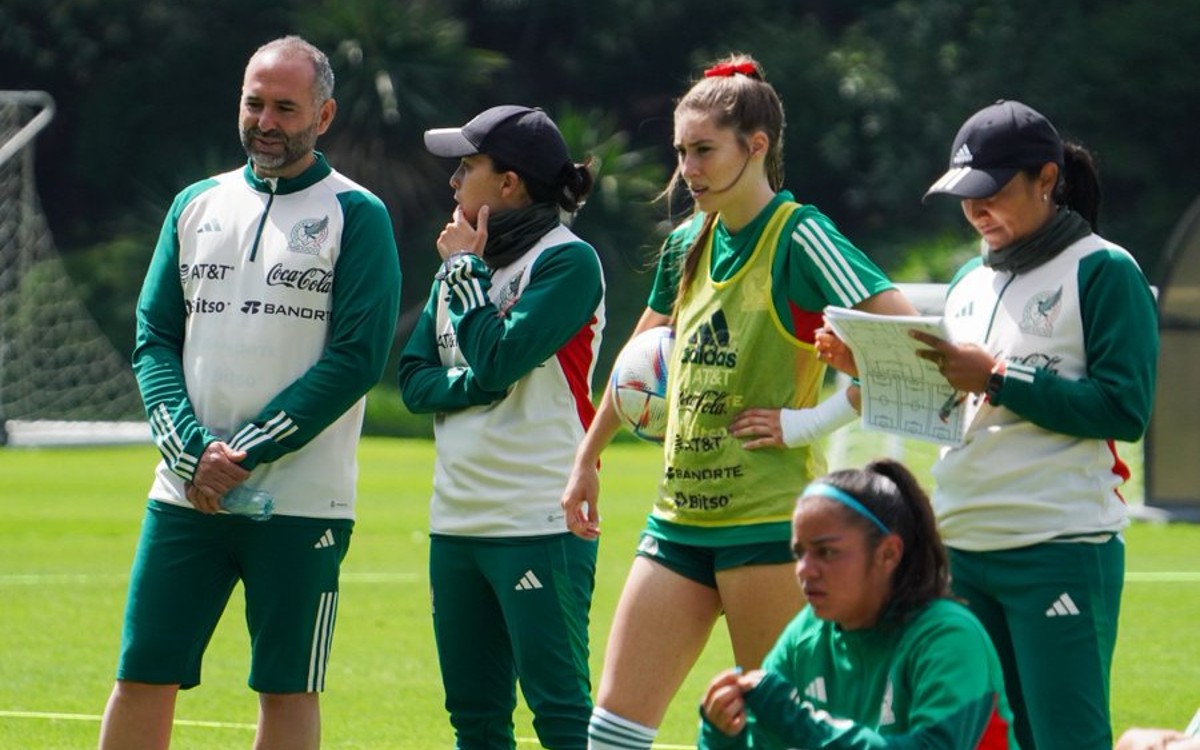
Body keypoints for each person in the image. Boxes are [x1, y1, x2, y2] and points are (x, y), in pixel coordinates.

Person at [561, 53, 917, 750]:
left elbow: (907, 346)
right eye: (680, 152)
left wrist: (807, 421)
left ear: (756, 146)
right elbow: (636, 362)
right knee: (611, 732)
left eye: (703, 151)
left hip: (768, 526)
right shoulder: (687, 242)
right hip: (676, 522)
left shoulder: (802, 237)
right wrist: (588, 456)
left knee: (776, 734)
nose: (687, 169)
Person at [821, 99, 1158, 750]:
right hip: (962, 548)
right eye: (965, 196)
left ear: (1047, 180)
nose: (977, 211)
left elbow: (1125, 409)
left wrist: (999, 377)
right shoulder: (968, 280)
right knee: (977, 739)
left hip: (1059, 543)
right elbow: (953, 411)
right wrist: (869, 372)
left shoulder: (1104, 270)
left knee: (1066, 739)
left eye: (993, 193)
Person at [98, 36, 401, 750]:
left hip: (301, 501)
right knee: (143, 673)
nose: (266, 121)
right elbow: (153, 338)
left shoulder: (358, 215)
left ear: (323, 115)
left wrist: (242, 451)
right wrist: (190, 454)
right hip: (184, 497)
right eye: (254, 103)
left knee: (287, 687)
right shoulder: (195, 205)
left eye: (286, 108)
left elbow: (356, 359)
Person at [397, 105, 603, 749]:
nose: (454, 184)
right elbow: (412, 379)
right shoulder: (463, 260)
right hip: (455, 523)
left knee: (561, 715)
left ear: (510, 182)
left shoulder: (567, 263)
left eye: (467, 167)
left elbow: (498, 357)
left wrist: (463, 272)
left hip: (538, 519)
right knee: (476, 720)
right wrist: (477, 386)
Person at [698, 459, 1018, 749]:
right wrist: (724, 734)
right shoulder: (806, 636)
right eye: (800, 553)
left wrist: (800, 724)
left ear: (888, 553)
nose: (804, 570)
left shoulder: (948, 636)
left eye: (826, 552)